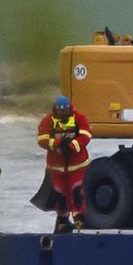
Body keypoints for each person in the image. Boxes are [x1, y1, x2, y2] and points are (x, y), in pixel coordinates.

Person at [36, 94, 93, 233]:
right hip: (57, 167)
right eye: (60, 110)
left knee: (77, 192)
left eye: (65, 110)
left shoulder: (79, 118)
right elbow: (42, 139)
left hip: (77, 165)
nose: (62, 113)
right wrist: (58, 144)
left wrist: (72, 146)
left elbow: (86, 135)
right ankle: (62, 220)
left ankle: (79, 218)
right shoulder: (48, 120)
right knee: (60, 195)